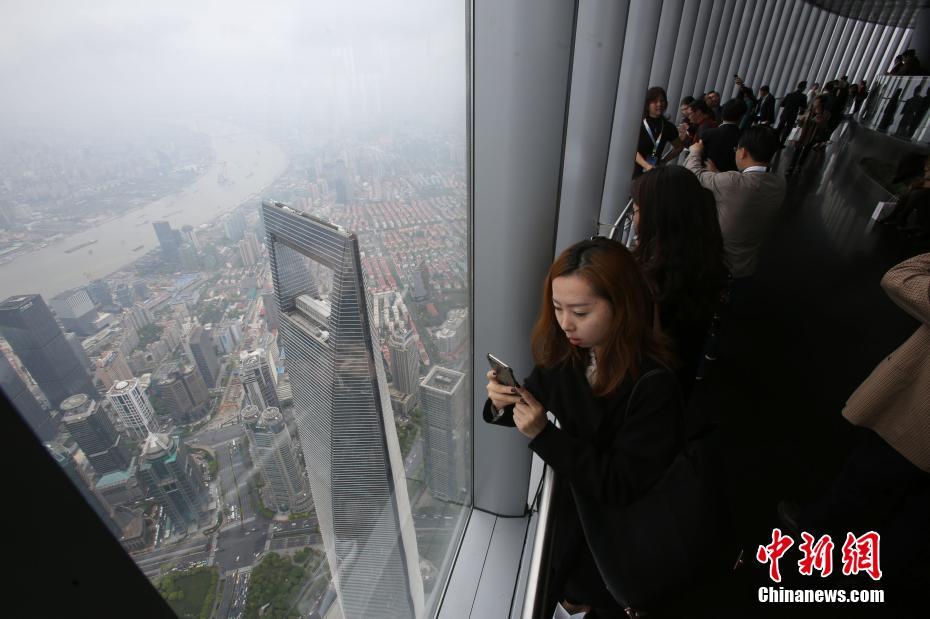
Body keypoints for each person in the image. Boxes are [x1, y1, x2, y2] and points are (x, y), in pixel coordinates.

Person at [483, 238, 682, 618]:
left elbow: (622, 483)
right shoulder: (568, 355)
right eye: (557, 308)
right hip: (572, 521)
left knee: (585, 596)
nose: (565, 323)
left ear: (622, 305)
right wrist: (500, 401)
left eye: (581, 311)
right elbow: (534, 400)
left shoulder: (653, 385)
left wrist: (545, 436)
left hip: (611, 538)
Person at [779, 253, 930, 610]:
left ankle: (808, 549)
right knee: (915, 520)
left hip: (918, 418)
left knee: (864, 483)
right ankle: (875, 583)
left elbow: (902, 276)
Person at [631, 167, 728, 397]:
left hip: (647, 392)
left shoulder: (647, 279)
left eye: (636, 210)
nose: (634, 218)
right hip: (678, 379)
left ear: (657, 217)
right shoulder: (703, 258)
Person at [684, 125, 785, 281]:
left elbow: (693, 174)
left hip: (720, 265)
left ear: (743, 151)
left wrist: (695, 151)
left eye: (736, 149)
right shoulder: (779, 183)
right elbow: (746, 191)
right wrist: (718, 175)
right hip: (747, 264)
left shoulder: (732, 182)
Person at [634, 86, 684, 177]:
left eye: (662, 101)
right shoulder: (638, 124)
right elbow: (632, 149)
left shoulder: (668, 127)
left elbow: (679, 147)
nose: (659, 104)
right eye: (655, 101)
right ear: (647, 104)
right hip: (635, 169)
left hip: (654, 172)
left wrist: (664, 160)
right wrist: (646, 165)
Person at [786, 94, 831, 175]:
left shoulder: (826, 113)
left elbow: (825, 126)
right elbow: (801, 120)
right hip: (803, 133)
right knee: (797, 150)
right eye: (815, 100)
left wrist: (820, 122)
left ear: (821, 103)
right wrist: (800, 120)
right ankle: (791, 166)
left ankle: (799, 166)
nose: (814, 102)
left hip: (813, 135)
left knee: (806, 151)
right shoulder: (810, 110)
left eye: (817, 101)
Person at [700, 98, 745, 172]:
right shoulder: (744, 138)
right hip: (730, 180)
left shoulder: (707, 134)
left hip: (705, 177)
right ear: (741, 117)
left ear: (722, 114)